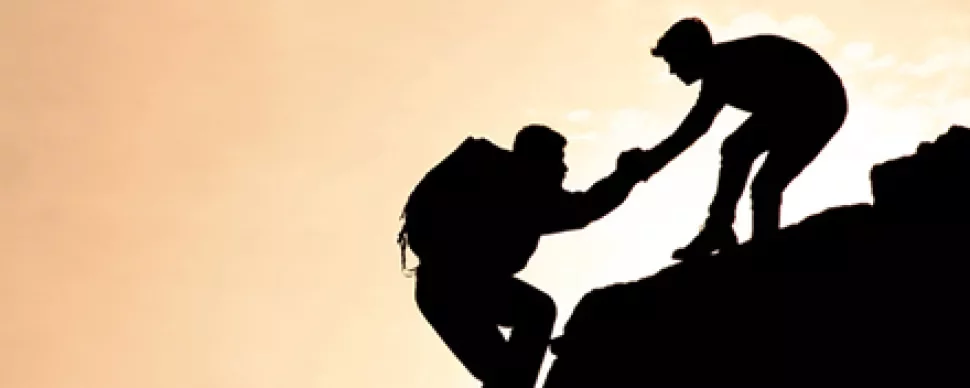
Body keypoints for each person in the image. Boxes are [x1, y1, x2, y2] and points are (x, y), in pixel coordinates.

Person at [401, 124, 657, 388]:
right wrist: (626, 176)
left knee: (509, 371)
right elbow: (584, 209)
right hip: (456, 289)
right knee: (535, 314)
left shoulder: (502, 179)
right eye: (559, 160)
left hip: (438, 291)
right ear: (540, 159)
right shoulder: (519, 188)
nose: (564, 169)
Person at [645, 17, 849, 259]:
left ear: (690, 52)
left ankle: (753, 247)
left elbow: (692, 130)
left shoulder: (725, 66)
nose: (672, 70)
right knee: (745, 159)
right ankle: (728, 231)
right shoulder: (719, 69)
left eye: (673, 60)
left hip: (818, 103)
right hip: (802, 102)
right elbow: (692, 130)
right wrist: (649, 162)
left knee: (758, 175)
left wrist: (649, 161)